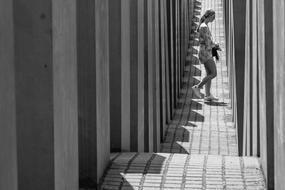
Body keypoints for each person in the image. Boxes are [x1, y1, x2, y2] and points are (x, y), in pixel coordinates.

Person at [192, 9, 220, 101]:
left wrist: (214, 44)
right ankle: (197, 87)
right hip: (205, 53)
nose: (214, 19)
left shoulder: (204, 25)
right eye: (213, 17)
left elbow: (207, 41)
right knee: (213, 73)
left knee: (209, 73)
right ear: (209, 16)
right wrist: (215, 45)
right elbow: (208, 43)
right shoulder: (204, 26)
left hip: (205, 51)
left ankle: (207, 95)